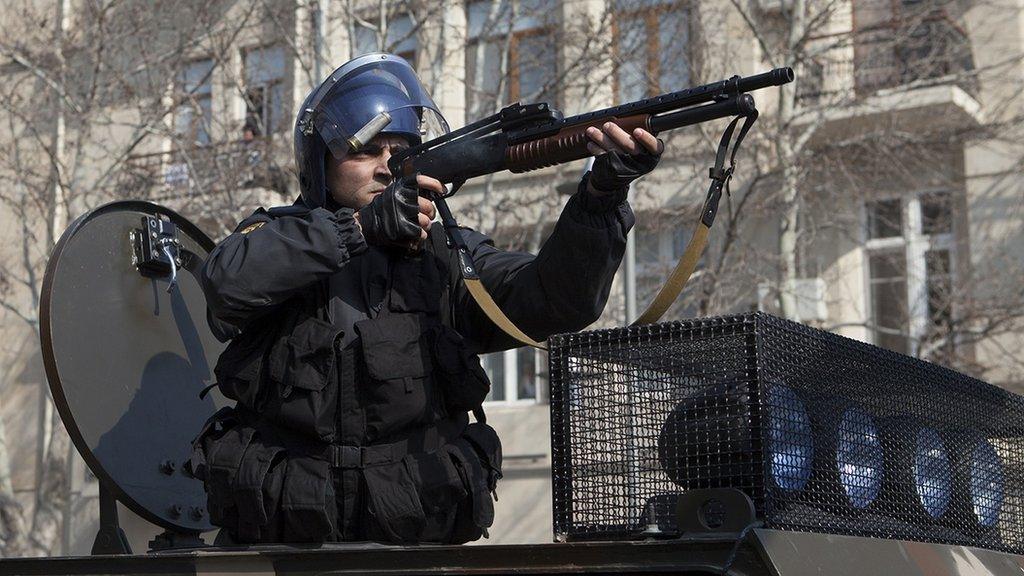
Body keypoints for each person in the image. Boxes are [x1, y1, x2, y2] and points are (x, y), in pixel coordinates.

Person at [188, 53, 664, 545]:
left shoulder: (444, 251)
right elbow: (226, 284)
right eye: (367, 150)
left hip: (414, 535)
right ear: (321, 161)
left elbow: (552, 300)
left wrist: (600, 198)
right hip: (283, 540)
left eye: (401, 152)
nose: (386, 167)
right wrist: (358, 230)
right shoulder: (277, 234)